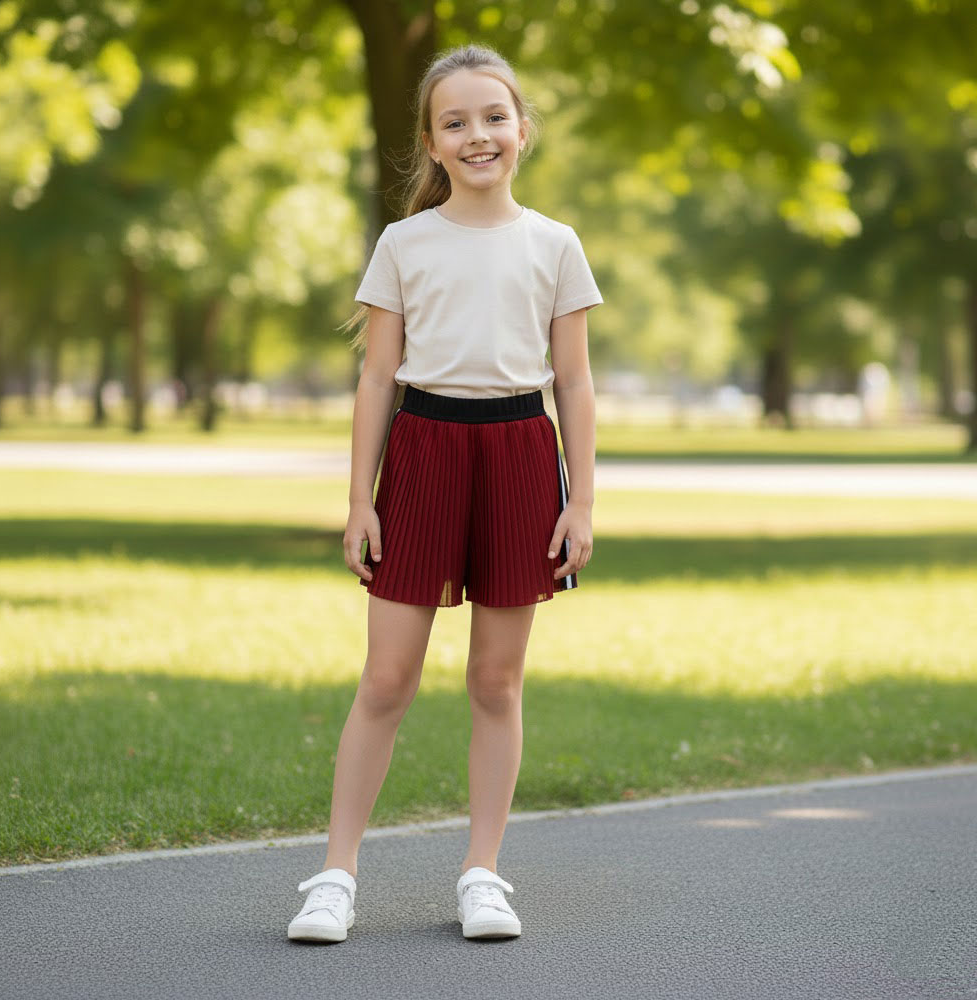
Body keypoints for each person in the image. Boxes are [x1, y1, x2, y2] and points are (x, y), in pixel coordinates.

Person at [287, 42, 602, 945]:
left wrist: (581, 501)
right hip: (422, 452)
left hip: (517, 453)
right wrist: (361, 499)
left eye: (493, 117)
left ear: (523, 130)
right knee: (387, 679)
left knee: (496, 682)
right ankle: (335, 876)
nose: (478, 135)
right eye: (455, 122)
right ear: (430, 143)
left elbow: (574, 385)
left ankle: (483, 875)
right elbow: (377, 378)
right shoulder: (404, 244)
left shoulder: (555, 244)